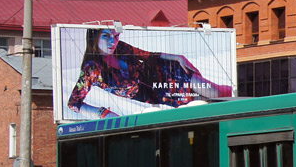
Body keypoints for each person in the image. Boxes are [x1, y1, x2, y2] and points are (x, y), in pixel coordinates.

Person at [67, 28, 232, 118]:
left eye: (116, 36)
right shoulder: (92, 68)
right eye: (106, 36)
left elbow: (146, 55)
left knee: (216, 91)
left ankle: (244, 94)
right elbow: (73, 103)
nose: (113, 41)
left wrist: (178, 57)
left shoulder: (121, 47)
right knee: (206, 104)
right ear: (94, 37)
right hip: (158, 94)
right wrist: (102, 113)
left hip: (165, 73)